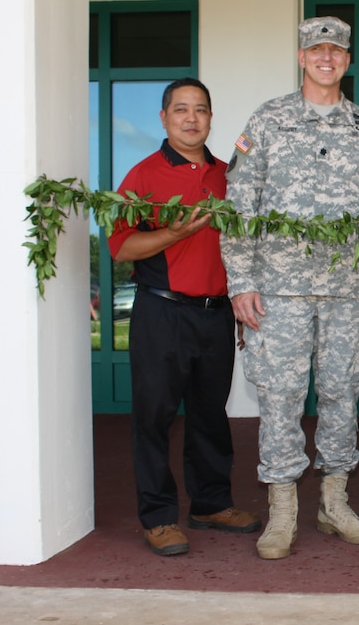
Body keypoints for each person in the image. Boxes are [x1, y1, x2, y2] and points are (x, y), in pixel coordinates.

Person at [222, 17, 359, 560]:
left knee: (341, 393)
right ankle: (282, 511)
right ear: (302, 57)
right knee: (279, 395)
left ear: (348, 60)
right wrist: (241, 282)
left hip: (348, 287)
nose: (327, 57)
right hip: (278, 289)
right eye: (316, 49)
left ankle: (333, 502)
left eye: (337, 50)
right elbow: (238, 208)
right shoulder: (269, 120)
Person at [108, 78, 261, 557]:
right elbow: (120, 249)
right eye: (180, 110)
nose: (191, 118)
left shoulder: (228, 175)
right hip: (162, 311)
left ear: (211, 118)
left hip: (215, 315)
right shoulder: (144, 175)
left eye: (200, 110)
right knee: (153, 417)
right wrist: (171, 234)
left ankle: (211, 503)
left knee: (209, 415)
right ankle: (157, 517)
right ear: (164, 118)